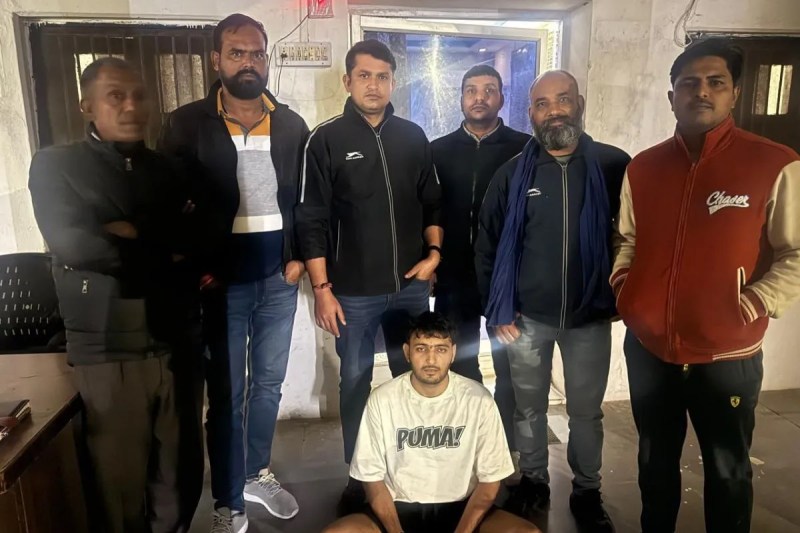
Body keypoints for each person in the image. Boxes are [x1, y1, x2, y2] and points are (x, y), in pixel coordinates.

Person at [611, 39, 800, 533]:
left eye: (716, 82)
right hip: (649, 350)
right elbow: (627, 239)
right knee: (654, 463)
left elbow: (796, 253)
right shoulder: (644, 167)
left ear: (734, 93)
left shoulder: (774, 163)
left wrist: (753, 302)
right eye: (689, 83)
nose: (702, 92)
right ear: (671, 95)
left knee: (727, 470)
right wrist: (627, 289)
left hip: (727, 357)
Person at [28, 57, 201, 533]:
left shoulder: (167, 169)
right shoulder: (57, 165)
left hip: (176, 343)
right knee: (118, 490)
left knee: (179, 484)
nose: (130, 107)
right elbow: (74, 245)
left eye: (139, 96)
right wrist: (161, 244)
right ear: (87, 105)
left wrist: (125, 231)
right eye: (115, 96)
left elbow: (196, 240)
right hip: (108, 349)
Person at [160, 13, 309, 532]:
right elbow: (169, 204)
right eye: (238, 52)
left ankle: (254, 473)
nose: (249, 62)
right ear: (216, 60)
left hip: (278, 278)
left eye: (257, 53)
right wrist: (197, 265)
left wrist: (298, 257)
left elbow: (305, 199)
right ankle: (228, 501)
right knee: (226, 394)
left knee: (268, 384)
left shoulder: (290, 124)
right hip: (220, 284)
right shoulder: (186, 124)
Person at [475, 70, 630, 532]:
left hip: (589, 316)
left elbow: (635, 237)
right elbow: (487, 245)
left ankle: (587, 491)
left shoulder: (613, 165)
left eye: (562, 100)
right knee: (528, 408)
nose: (554, 111)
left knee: (586, 413)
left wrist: (624, 294)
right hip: (527, 319)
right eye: (542, 104)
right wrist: (497, 308)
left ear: (579, 103)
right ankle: (534, 481)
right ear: (531, 113)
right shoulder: (513, 174)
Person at [295, 39, 442, 511]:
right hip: (353, 294)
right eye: (364, 75)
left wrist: (434, 254)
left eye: (382, 76)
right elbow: (311, 220)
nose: (373, 85)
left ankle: (409, 466)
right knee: (356, 382)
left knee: (413, 379)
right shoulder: (326, 139)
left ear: (393, 82)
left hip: (410, 289)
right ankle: (360, 476)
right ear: (347, 81)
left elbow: (432, 203)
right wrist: (322, 289)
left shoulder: (413, 137)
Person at [322, 312, 541, 533]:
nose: (431, 359)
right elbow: (371, 478)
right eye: (421, 348)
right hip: (398, 508)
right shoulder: (382, 399)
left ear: (453, 353)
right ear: (407, 352)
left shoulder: (479, 399)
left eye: (440, 349)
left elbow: (490, 480)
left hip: (462, 508)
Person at [431, 64, 529, 461]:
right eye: (471, 90)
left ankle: (504, 445)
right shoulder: (437, 151)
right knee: (459, 359)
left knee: (510, 365)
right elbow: (428, 211)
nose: (480, 97)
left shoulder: (524, 149)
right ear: (460, 97)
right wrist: (430, 262)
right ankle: (467, 435)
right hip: (453, 275)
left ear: (502, 98)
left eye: (489, 90)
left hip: (507, 277)